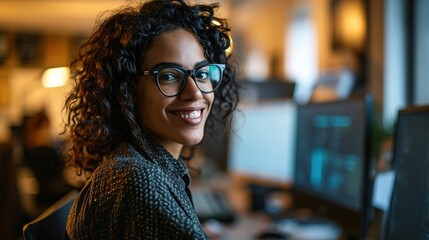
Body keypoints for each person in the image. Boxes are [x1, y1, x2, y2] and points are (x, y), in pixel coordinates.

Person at [63, 0, 239, 239]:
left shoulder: (133, 163)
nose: (196, 92)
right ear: (128, 90)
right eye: (169, 75)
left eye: (202, 73)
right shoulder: (139, 180)